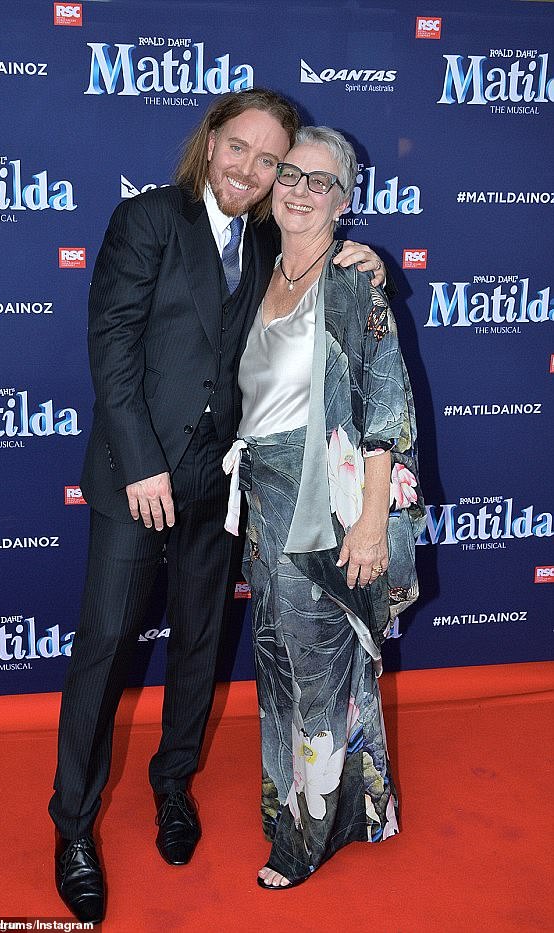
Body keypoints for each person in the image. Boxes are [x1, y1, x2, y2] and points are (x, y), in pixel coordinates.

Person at [49, 90, 388, 923]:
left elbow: (316, 266)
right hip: (137, 481)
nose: (251, 170)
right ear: (210, 142)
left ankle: (173, 788)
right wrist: (141, 464)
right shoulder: (148, 219)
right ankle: (73, 827)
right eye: (240, 148)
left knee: (198, 647)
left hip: (215, 486)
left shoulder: (271, 236)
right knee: (104, 649)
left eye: (270, 161)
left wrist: (364, 259)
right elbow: (113, 349)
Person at [222, 126, 425, 889]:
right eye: (290, 177)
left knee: (317, 669)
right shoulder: (259, 267)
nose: (301, 191)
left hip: (323, 509)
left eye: (322, 182)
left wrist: (372, 520)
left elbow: (386, 411)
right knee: (275, 657)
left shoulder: (351, 283)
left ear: (346, 201)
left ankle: (310, 832)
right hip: (262, 502)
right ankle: (323, 803)